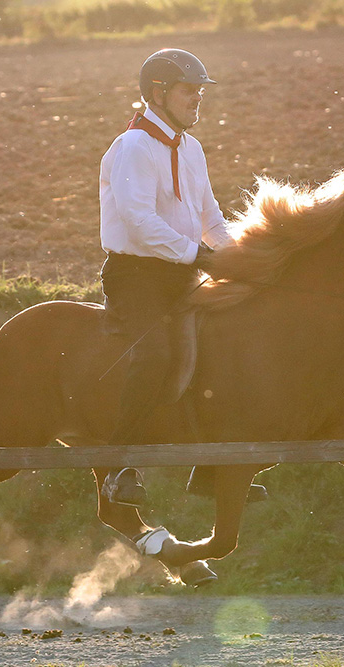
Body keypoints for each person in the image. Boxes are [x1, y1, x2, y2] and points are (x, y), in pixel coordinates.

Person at [98, 48, 266, 507]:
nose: (197, 99)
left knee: (227, 346)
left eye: (199, 92)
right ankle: (118, 467)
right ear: (158, 93)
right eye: (189, 90)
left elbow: (209, 214)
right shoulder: (133, 146)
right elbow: (138, 220)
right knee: (153, 355)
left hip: (183, 270)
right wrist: (199, 257)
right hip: (137, 277)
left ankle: (210, 471)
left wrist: (236, 262)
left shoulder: (191, 148)